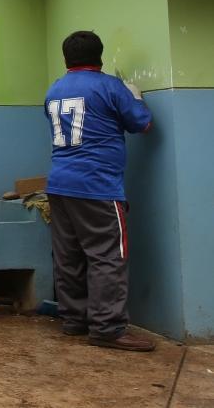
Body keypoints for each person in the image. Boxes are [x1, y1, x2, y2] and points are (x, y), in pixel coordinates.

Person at [45, 30, 154, 351]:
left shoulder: (54, 91)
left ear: (66, 59)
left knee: (69, 256)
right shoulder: (110, 86)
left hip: (59, 185)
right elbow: (142, 125)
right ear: (100, 56)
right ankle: (107, 328)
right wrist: (135, 97)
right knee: (107, 255)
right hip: (98, 186)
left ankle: (74, 319)